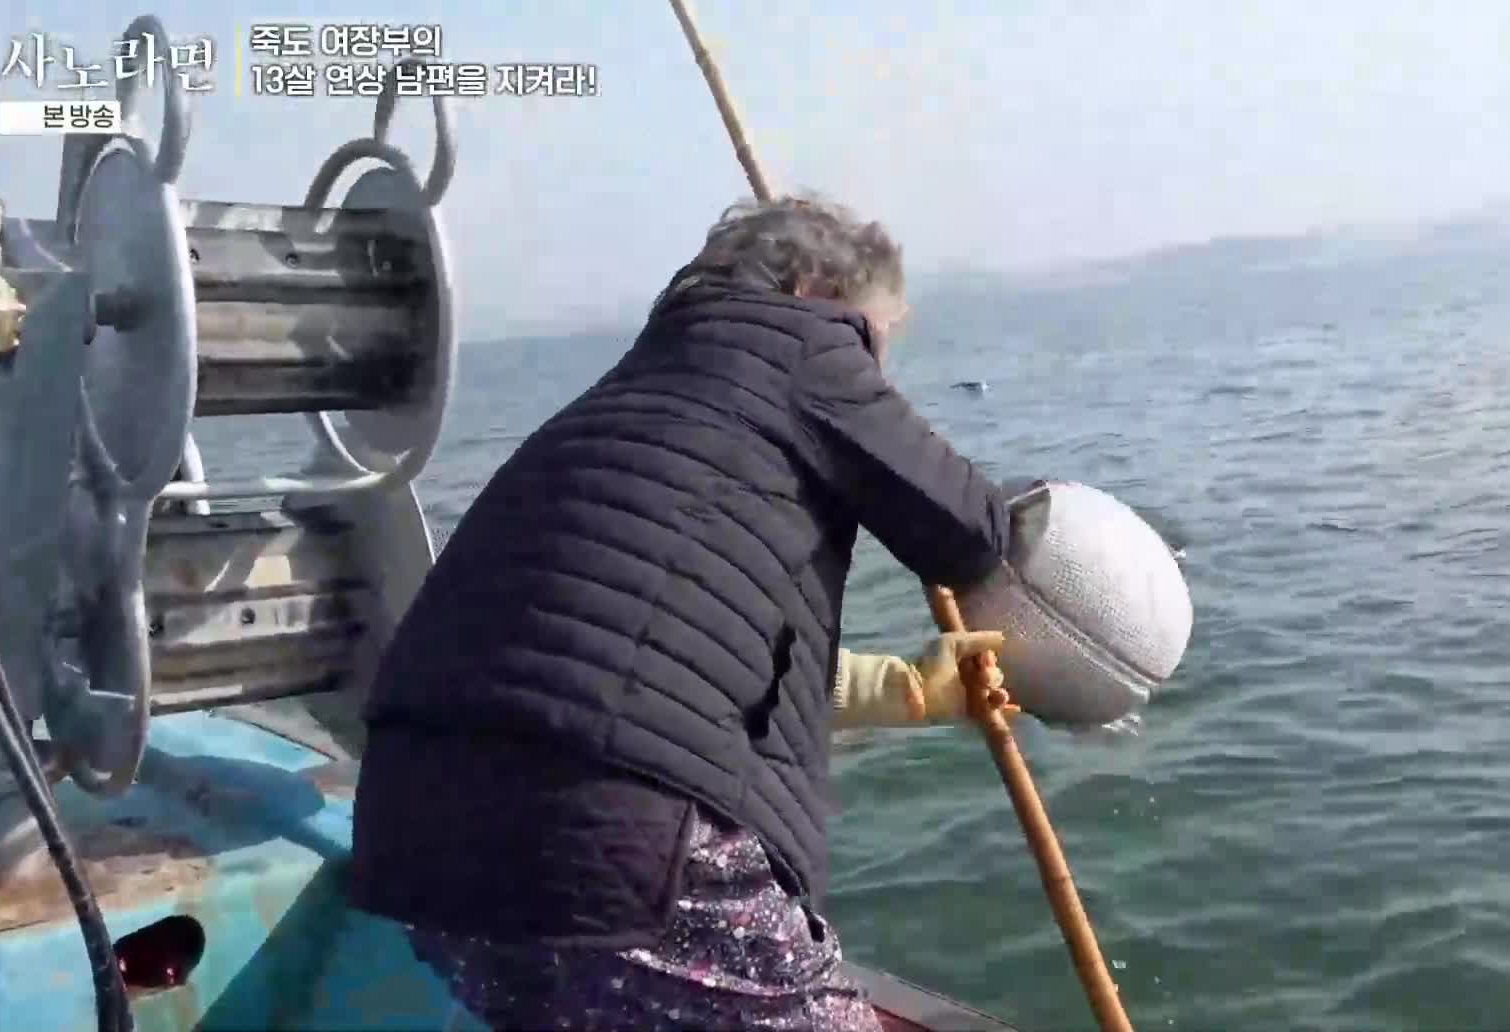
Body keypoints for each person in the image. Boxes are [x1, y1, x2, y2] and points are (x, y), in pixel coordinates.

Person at [350, 194, 1015, 1031]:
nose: (874, 370)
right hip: (600, 834)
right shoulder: (802, 343)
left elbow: (639, 659)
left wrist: (904, 689)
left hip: (411, 834)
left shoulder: (633, 401)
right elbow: (973, 535)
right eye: (874, 341)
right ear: (811, 289)